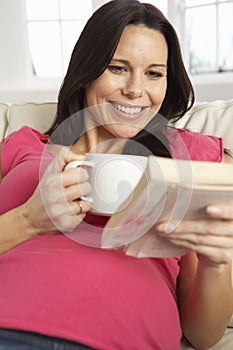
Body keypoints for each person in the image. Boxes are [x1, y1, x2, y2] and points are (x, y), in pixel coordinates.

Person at [0, 0, 233, 349]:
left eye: (154, 73)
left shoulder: (190, 159)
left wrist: (217, 263)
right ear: (87, 70)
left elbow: (202, 335)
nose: (136, 90)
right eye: (118, 68)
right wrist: (29, 220)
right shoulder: (24, 147)